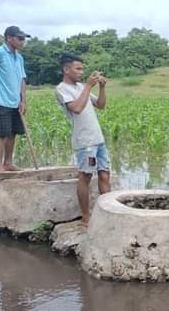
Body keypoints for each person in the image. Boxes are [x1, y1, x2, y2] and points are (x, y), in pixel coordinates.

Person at [55, 53, 111, 227]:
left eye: (82, 69)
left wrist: (101, 87)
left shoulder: (81, 86)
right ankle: (86, 217)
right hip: (85, 143)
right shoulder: (62, 89)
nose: (81, 72)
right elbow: (77, 108)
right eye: (77, 68)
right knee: (86, 175)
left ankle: (107, 211)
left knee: (104, 174)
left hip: (98, 139)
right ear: (66, 69)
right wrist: (88, 85)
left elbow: (100, 105)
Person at [0, 26, 31, 172]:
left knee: (13, 132)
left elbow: (22, 79)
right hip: (1, 101)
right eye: (20, 38)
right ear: (9, 38)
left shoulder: (19, 57)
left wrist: (23, 100)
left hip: (16, 102)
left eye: (24, 39)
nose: (23, 42)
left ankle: (8, 162)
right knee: (1, 133)